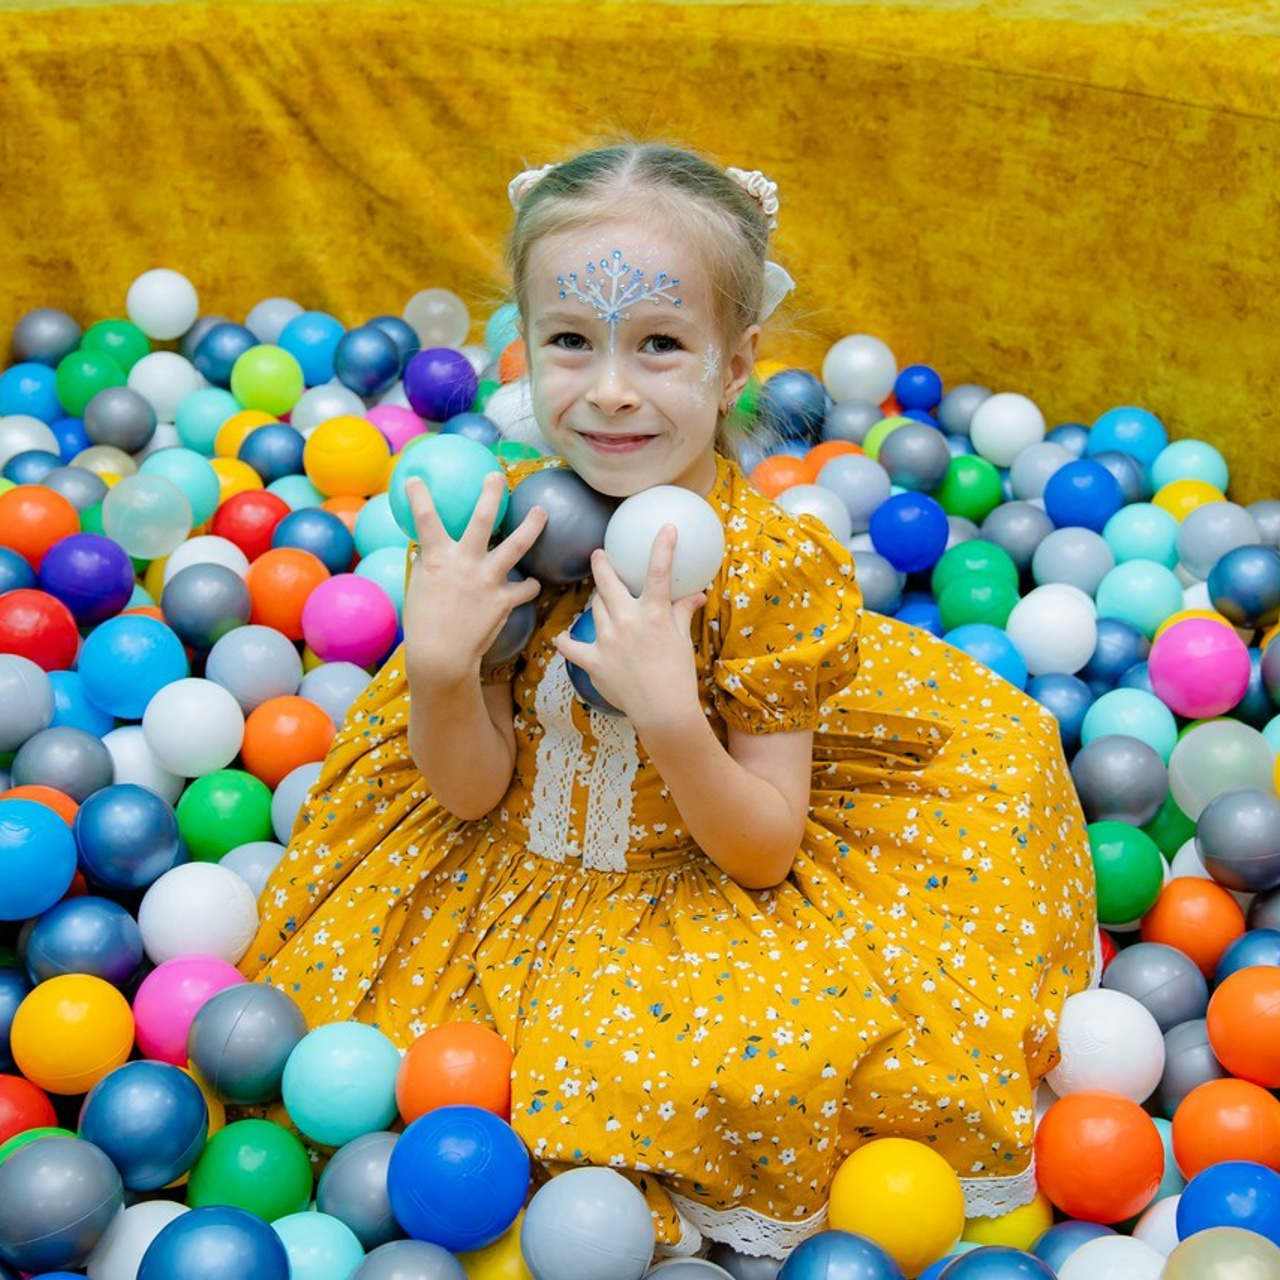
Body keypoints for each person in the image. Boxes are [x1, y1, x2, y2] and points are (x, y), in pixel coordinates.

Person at [241, 141, 1097, 1259]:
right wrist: (446, 664)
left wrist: (670, 714)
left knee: (747, 1067)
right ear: (520, 349)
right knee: (388, 1051)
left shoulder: (763, 571)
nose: (608, 389)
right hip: (509, 860)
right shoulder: (503, 529)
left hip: (706, 872)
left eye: (657, 345)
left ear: (733, 363)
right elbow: (466, 790)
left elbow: (762, 849)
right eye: (569, 341)